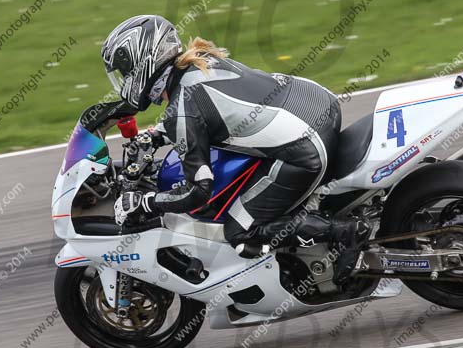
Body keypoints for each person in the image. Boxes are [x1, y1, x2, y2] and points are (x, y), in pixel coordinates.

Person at [102, 14, 369, 283]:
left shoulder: (182, 112)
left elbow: (199, 192)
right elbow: (215, 108)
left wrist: (147, 203)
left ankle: (345, 232)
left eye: (125, 73)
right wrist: (158, 134)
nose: (124, 82)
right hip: (318, 102)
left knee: (240, 231)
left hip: (305, 147)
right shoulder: (199, 60)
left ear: (144, 63)